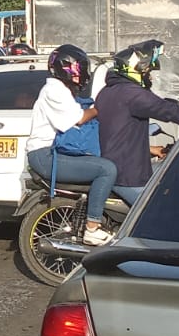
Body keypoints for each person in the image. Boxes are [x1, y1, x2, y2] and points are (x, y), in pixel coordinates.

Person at [25, 44, 118, 245]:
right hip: (45, 157)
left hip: (51, 154)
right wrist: (100, 108)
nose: (82, 73)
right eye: (79, 68)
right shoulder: (54, 91)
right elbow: (80, 118)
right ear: (66, 68)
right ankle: (92, 228)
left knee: (100, 161)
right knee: (106, 170)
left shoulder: (60, 90)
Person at [96, 40, 179, 207]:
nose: (150, 76)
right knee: (167, 212)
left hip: (116, 166)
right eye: (148, 71)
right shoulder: (134, 94)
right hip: (128, 176)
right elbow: (168, 110)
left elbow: (120, 134)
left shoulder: (107, 91)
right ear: (137, 70)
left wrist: (149, 149)